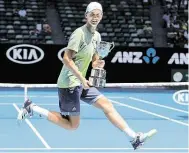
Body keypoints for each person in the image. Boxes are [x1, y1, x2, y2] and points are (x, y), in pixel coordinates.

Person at [17, 2, 157, 150]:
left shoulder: (97, 36)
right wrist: (82, 78)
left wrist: (98, 63)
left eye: (98, 15)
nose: (95, 17)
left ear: (101, 16)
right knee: (72, 125)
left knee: (107, 105)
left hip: (81, 82)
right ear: (86, 16)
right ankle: (33, 108)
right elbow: (66, 58)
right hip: (69, 83)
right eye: (92, 15)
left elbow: (94, 59)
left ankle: (133, 137)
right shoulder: (79, 34)